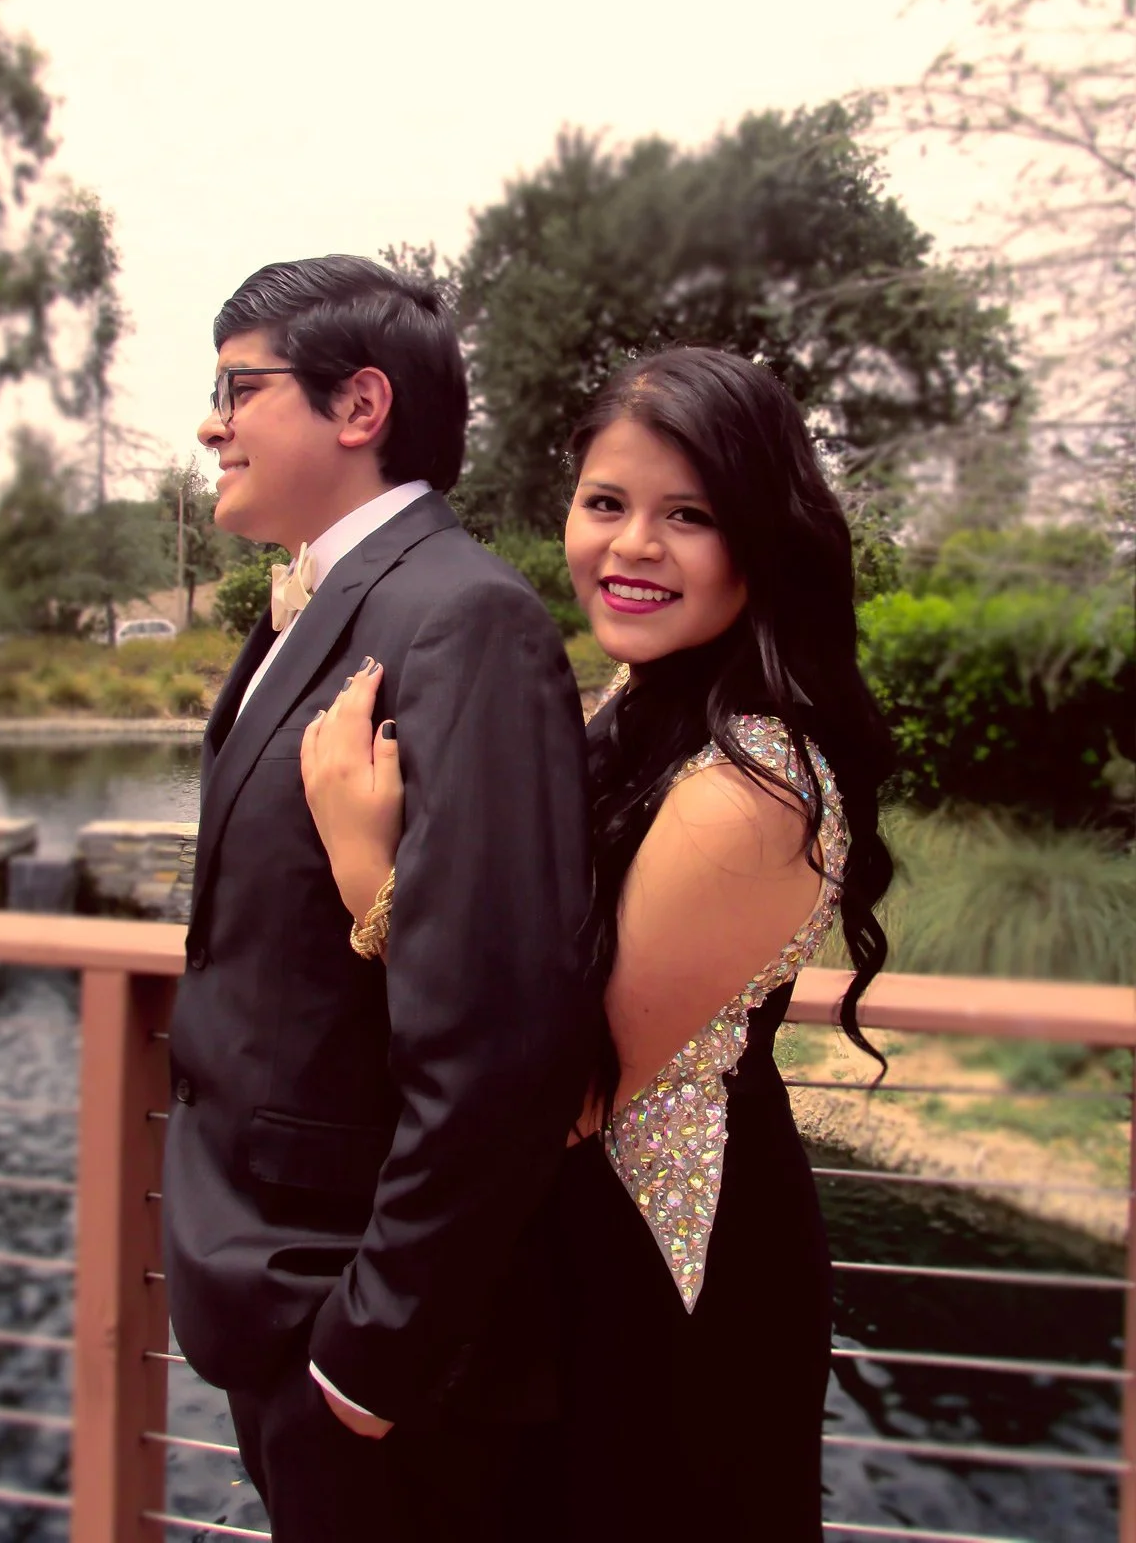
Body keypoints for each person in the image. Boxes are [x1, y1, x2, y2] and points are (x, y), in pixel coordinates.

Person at [303, 344, 894, 1542]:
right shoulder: (636, 705)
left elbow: (560, 1080)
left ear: (762, 541)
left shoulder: (755, 786)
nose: (631, 548)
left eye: (690, 516)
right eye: (606, 504)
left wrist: (370, 871)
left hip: (666, 1272)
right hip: (563, 1248)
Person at [162, 254, 598, 1543]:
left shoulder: (464, 617)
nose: (211, 422)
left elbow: (504, 1026)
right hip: (270, 1287)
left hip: (356, 1331)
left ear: (359, 408)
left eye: (239, 388)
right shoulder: (318, 602)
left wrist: (373, 1349)